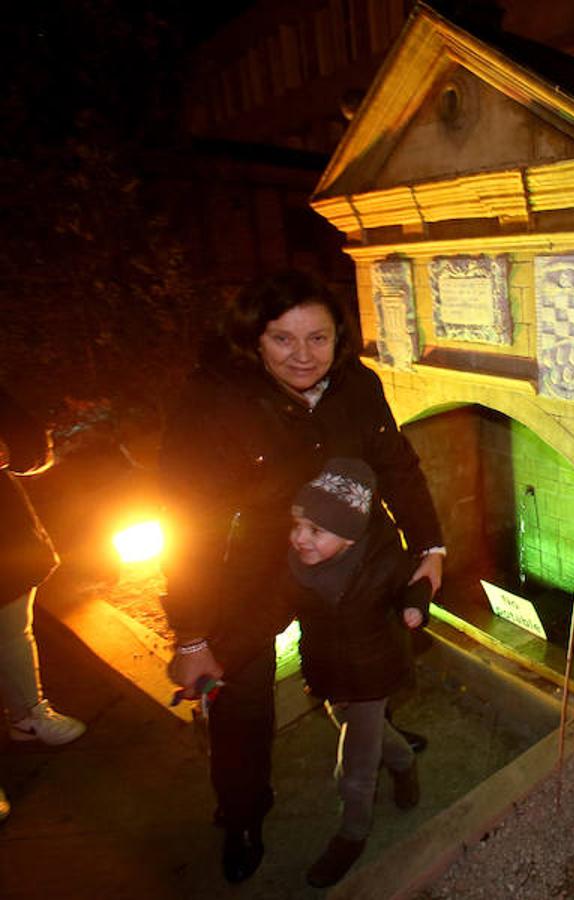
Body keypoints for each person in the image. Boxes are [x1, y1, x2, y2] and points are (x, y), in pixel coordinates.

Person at [158, 271, 443, 883]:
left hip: (352, 561)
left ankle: (380, 735)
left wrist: (430, 545)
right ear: (253, 341)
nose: (303, 356)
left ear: (339, 337)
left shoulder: (358, 386)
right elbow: (186, 521)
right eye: (282, 339)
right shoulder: (213, 403)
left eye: (318, 338)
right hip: (253, 573)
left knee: (360, 659)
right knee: (242, 698)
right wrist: (191, 634)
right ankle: (242, 812)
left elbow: (395, 463)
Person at [285, 458, 430, 887]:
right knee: (347, 722)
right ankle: (403, 762)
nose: (299, 539)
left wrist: (415, 604)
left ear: (349, 537)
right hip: (327, 666)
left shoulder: (382, 562)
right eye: (297, 525)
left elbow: (412, 582)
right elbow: (271, 608)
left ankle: (353, 832)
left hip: (371, 672)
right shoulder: (296, 566)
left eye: (315, 531)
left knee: (355, 762)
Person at [0, 385, 87, 823]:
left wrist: (12, 449)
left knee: (13, 630)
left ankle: (27, 715)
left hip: (4, 543)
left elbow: (31, 446)